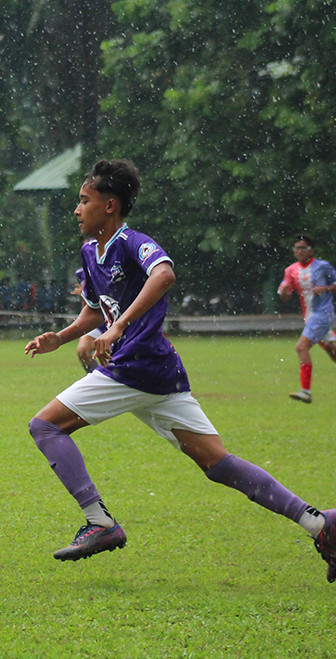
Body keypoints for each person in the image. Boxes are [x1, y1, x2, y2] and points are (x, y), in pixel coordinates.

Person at [23, 159, 335, 582]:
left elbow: (164, 275)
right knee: (217, 463)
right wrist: (59, 338)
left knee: (45, 426)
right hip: (159, 372)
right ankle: (320, 524)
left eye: (84, 200)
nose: (77, 210)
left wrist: (118, 328)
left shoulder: (132, 241)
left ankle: (99, 521)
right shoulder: (89, 253)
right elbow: (93, 312)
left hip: (135, 366)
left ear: (109, 205)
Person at [277, 234, 336, 404]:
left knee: (301, 347)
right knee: (333, 351)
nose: (299, 251)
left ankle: (305, 391)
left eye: (303, 248)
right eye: (297, 248)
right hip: (310, 317)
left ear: (312, 251)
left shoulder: (322, 267)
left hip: (323, 314)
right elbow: (284, 296)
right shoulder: (291, 270)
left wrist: (325, 288)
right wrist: (284, 291)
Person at [72, 267, 103, 373]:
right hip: (99, 320)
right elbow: (87, 308)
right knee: (83, 351)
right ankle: (96, 377)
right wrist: (85, 296)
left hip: (117, 317)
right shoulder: (83, 272)